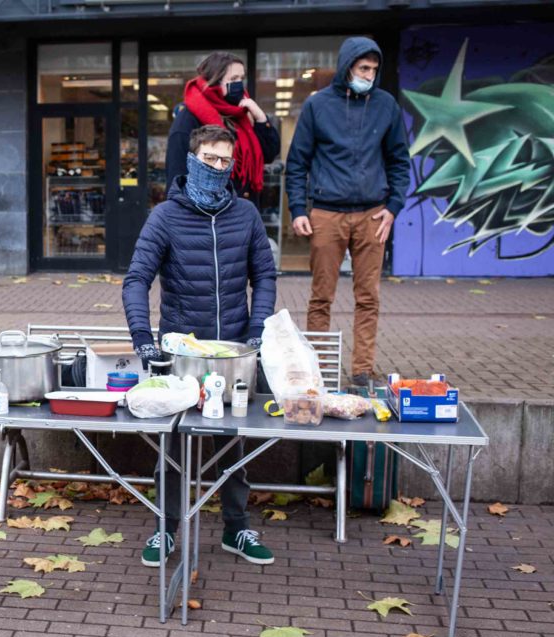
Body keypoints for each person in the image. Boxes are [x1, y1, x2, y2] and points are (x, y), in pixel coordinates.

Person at [123, 124, 277, 567]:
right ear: (192, 160)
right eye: (209, 159)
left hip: (232, 354)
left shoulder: (245, 214)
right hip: (180, 354)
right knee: (172, 445)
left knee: (232, 443)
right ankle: (164, 530)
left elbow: (264, 276)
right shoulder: (165, 217)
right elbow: (136, 280)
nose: (218, 167)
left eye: (225, 161)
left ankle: (236, 528)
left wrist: (256, 330)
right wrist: (143, 340)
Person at [285, 36, 411, 387]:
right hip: (327, 213)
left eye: (374, 69)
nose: (369, 75)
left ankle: (362, 371)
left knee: (368, 297)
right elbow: (297, 162)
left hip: (373, 214)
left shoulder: (386, 105)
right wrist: (299, 209)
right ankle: (318, 370)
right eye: (362, 68)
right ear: (347, 67)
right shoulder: (317, 105)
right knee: (321, 296)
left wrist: (393, 208)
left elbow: (400, 161)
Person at [165, 52, 280, 205]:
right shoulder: (189, 118)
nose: (239, 84)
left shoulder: (242, 114)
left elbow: (269, 153)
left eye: (241, 78)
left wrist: (260, 117)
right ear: (215, 82)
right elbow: (177, 176)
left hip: (244, 213)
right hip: (209, 216)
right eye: (233, 79)